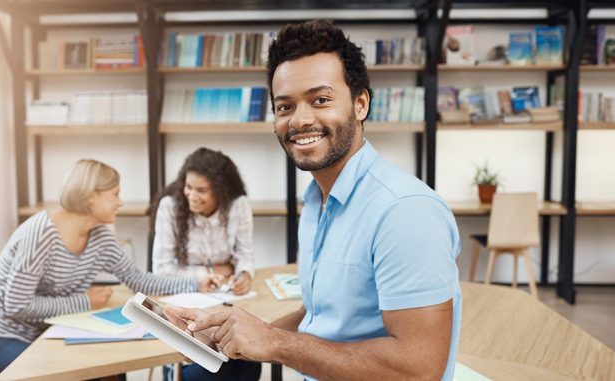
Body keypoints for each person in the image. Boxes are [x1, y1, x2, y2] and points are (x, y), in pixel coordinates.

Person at [167, 20, 462, 381]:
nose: (300, 120)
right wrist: (237, 336)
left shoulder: (405, 211)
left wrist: (275, 342)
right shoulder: (316, 203)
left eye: (320, 100)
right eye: (284, 107)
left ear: (360, 104)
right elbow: (324, 316)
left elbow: (419, 369)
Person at [0, 159, 219, 375]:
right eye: (115, 194)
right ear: (91, 197)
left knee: (102, 371)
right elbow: (16, 306)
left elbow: (138, 280)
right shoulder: (40, 235)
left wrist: (196, 281)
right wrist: (84, 301)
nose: (120, 202)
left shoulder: (100, 237)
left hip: (36, 332)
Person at [149, 147, 261, 381]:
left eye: (201, 190)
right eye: (188, 187)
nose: (191, 195)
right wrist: (209, 273)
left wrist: (244, 274)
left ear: (221, 191)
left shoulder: (238, 205)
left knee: (248, 362)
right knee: (209, 369)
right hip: (184, 306)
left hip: (225, 301)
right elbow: (161, 271)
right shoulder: (170, 207)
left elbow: (245, 253)